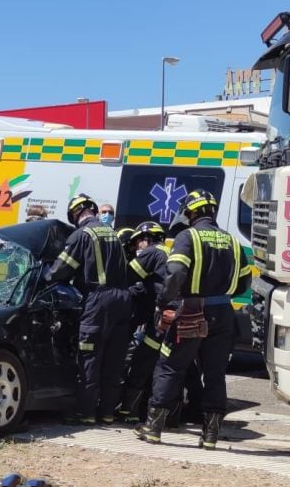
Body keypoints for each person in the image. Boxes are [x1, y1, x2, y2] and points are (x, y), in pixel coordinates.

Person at [138, 189, 251, 449]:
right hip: (224, 313)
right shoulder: (232, 241)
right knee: (215, 374)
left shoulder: (187, 237)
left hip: (191, 311)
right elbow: (245, 282)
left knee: (170, 366)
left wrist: (164, 301)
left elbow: (176, 272)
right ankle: (210, 435)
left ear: (192, 212)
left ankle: (153, 428)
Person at [46, 193, 133, 425]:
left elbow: (60, 270)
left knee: (90, 357)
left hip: (98, 300)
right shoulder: (113, 234)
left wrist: (46, 275)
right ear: (93, 210)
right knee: (114, 359)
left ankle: (85, 413)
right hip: (123, 300)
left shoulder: (81, 235)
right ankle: (106, 413)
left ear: (75, 215)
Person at [117, 221, 169, 423]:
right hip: (171, 317)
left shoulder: (152, 252)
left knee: (142, 363)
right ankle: (168, 416)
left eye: (136, 243)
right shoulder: (169, 251)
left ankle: (128, 412)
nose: (136, 248)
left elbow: (127, 277)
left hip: (160, 321)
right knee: (168, 368)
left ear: (145, 239)